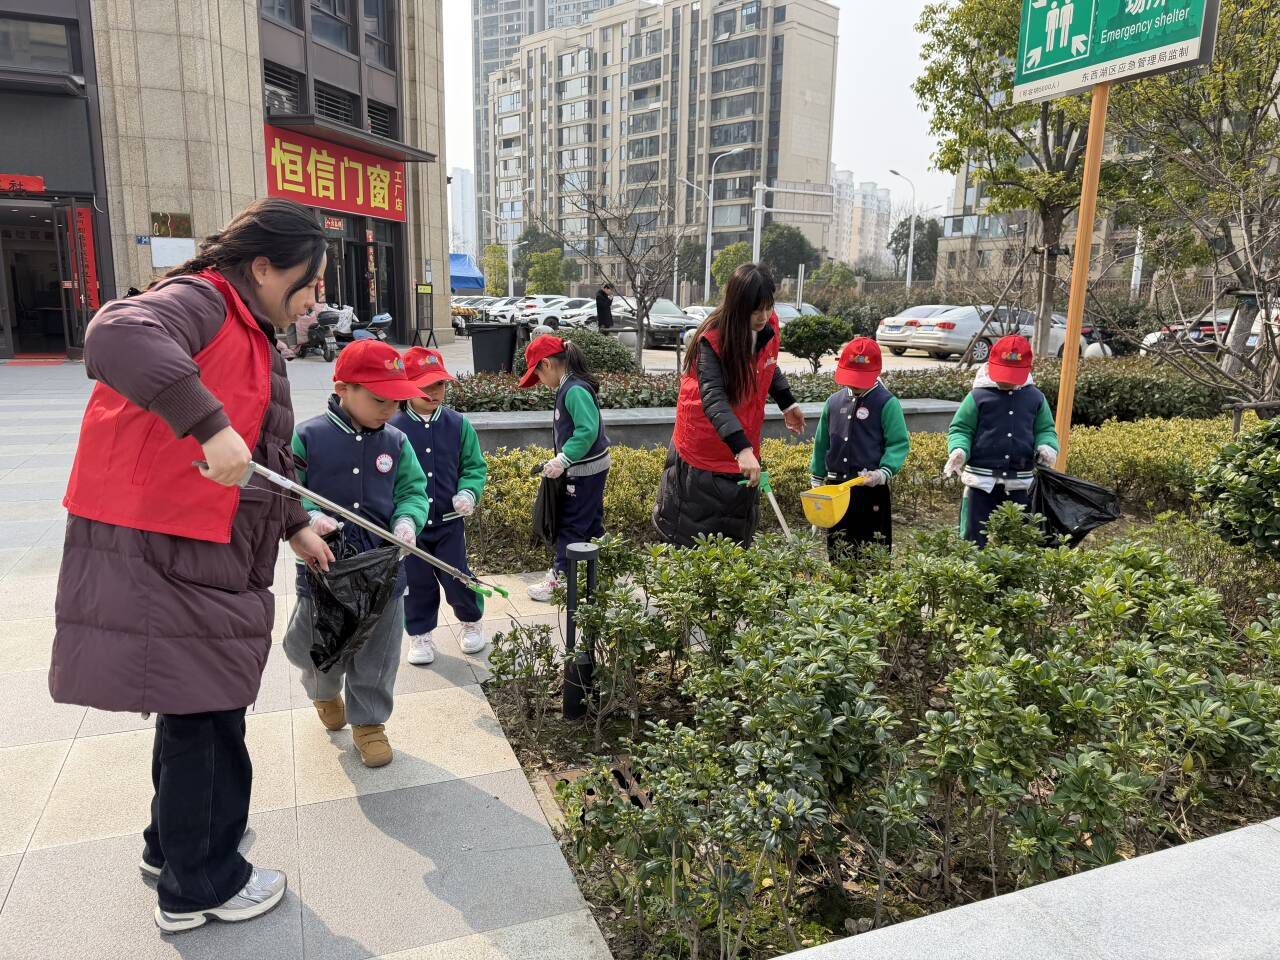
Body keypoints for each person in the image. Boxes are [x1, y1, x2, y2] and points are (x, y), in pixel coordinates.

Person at [51, 197, 334, 933]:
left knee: (193, 707)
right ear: (263, 267)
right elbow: (116, 332)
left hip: (204, 545)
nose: (314, 300)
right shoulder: (202, 300)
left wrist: (294, 524)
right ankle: (201, 884)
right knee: (208, 719)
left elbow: (262, 452)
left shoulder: (250, 328)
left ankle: (171, 849)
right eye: (308, 283)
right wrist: (207, 424)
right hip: (172, 548)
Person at [281, 339, 429, 768]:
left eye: (397, 401)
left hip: (384, 567)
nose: (390, 410)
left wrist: (407, 521)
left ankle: (369, 723)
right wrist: (308, 517)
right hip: (324, 567)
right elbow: (288, 491)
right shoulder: (307, 436)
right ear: (343, 389)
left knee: (379, 652)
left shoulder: (397, 441)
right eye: (380, 399)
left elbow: (413, 491)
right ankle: (323, 690)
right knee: (311, 645)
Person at [653, 263, 805, 547]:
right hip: (704, 449)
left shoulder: (767, 327)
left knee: (735, 540)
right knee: (697, 541)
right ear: (738, 306)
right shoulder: (712, 339)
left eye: (768, 308)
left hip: (740, 443)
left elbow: (767, 365)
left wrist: (787, 402)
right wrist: (742, 448)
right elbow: (712, 396)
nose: (763, 317)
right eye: (755, 311)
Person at [391, 347, 490, 665]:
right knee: (416, 581)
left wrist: (469, 493)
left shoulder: (458, 424)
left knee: (457, 575)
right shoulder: (392, 428)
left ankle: (471, 621)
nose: (434, 392)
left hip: (449, 521)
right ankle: (420, 633)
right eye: (425, 385)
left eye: (440, 384)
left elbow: (474, 466)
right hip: (411, 527)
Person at [518, 334, 610, 601]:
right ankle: (603, 572)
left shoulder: (574, 390)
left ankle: (560, 579)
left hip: (583, 471)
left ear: (547, 364)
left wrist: (564, 459)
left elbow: (587, 430)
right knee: (591, 523)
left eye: (538, 374)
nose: (540, 382)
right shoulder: (570, 387)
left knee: (570, 524)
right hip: (590, 468)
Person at [944, 334, 1059, 547]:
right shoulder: (977, 397)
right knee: (973, 539)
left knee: (1019, 540)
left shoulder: (1036, 398)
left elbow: (1045, 429)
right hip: (980, 483)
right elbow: (961, 428)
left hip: (1020, 484)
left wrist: (1047, 446)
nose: (1006, 380)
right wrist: (959, 449)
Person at [809, 337, 910, 556]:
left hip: (870, 489)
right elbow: (821, 442)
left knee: (872, 551)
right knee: (839, 549)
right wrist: (817, 477)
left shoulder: (886, 403)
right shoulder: (833, 402)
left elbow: (898, 443)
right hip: (836, 489)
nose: (854, 384)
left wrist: (883, 472)